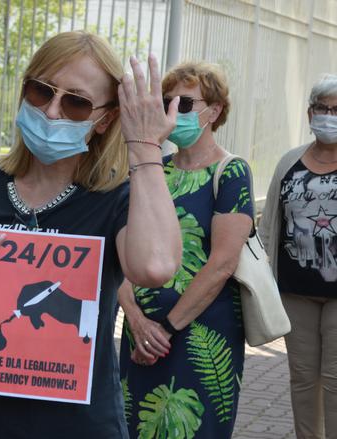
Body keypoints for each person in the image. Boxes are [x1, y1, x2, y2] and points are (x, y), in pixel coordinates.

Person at [0, 31, 182, 438]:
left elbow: (155, 267)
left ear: (104, 119)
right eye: (41, 91)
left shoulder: (116, 199)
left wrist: (144, 147)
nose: (52, 111)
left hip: (75, 425)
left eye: (76, 102)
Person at [118, 61, 253, 438]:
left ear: (215, 111)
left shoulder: (231, 172)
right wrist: (136, 319)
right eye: (167, 102)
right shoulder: (151, 169)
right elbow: (120, 251)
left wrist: (166, 328)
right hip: (139, 334)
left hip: (200, 338)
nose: (174, 111)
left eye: (186, 103)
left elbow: (222, 264)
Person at [259, 74, 337, 439]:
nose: (328, 115)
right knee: (303, 378)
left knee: (335, 381)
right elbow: (270, 223)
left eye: (336, 109)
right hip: (294, 292)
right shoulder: (290, 162)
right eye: (322, 108)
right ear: (310, 113)